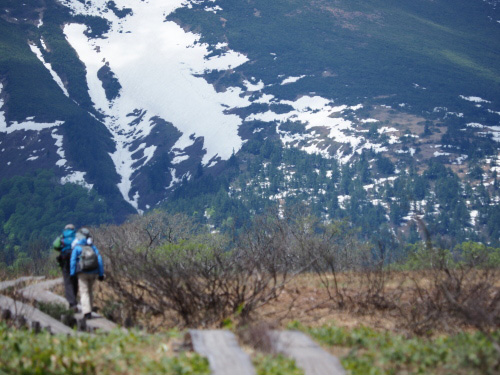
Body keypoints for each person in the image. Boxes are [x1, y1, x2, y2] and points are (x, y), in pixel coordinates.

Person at [70, 228, 104, 319]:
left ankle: (87, 312)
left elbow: (73, 261)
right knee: (90, 291)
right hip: (93, 272)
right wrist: (101, 274)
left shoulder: (77, 247)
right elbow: (99, 259)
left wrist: (72, 273)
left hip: (82, 273)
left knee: (84, 292)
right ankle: (90, 308)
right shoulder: (92, 247)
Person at [53, 224, 78, 310]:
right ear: (73, 229)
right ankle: (74, 298)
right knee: (75, 280)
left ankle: (72, 303)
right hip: (76, 260)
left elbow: (55, 245)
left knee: (67, 281)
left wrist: (61, 249)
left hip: (65, 260)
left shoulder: (62, 236)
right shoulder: (77, 236)